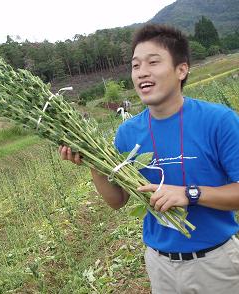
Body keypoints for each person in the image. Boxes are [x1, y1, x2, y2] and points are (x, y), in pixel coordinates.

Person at [59, 24, 239, 293]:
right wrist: (93, 162)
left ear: (182, 69)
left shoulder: (219, 121)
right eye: (135, 65)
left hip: (215, 264)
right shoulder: (128, 133)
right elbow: (117, 201)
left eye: (153, 62)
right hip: (160, 265)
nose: (142, 72)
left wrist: (189, 194)